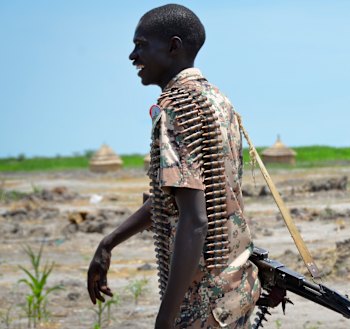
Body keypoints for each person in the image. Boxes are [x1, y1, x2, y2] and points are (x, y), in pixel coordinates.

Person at [86, 4, 260, 328]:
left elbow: (195, 221)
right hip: (234, 288)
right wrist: (108, 241)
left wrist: (165, 319)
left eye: (141, 45)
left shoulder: (176, 108)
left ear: (173, 47)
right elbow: (178, 197)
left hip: (203, 302)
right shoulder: (217, 99)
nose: (132, 56)